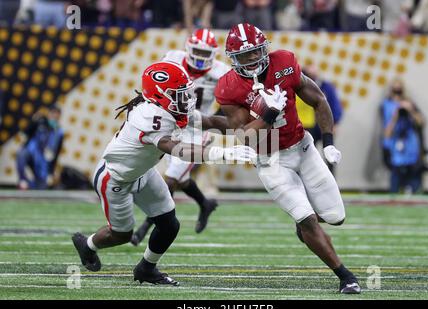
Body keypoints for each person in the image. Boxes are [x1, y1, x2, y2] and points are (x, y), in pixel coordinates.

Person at [72, 61, 255, 285]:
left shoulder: (168, 108)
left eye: (185, 93)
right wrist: (223, 153)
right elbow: (176, 149)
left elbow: (209, 121)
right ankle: (88, 244)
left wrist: (249, 124)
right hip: (114, 178)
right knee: (121, 235)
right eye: (178, 94)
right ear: (159, 95)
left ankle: (146, 269)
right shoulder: (149, 115)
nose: (186, 99)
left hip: (143, 172)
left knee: (169, 224)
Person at [215, 23, 361, 294]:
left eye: (255, 53)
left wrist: (328, 143)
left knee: (336, 217)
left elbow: (318, 99)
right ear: (232, 58)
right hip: (271, 159)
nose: (251, 60)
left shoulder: (285, 61)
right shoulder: (228, 87)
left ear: (265, 49)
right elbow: (245, 135)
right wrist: (267, 115)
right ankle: (344, 275)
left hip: (303, 148)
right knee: (306, 218)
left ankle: (305, 225)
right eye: (244, 56)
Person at [131, 29, 230, 246]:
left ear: (213, 54)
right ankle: (205, 203)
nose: (202, 58)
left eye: (206, 53)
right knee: (182, 179)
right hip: (173, 125)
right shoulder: (172, 59)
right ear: (188, 48)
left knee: (172, 179)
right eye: (198, 52)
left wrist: (215, 121)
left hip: (197, 130)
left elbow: (231, 100)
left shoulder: (221, 72)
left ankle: (147, 226)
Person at [303, 63, 343, 174]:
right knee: (310, 155)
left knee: (330, 154)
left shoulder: (327, 87)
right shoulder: (302, 86)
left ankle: (332, 180)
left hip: (325, 124)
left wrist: (335, 123)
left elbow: (335, 105)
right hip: (309, 125)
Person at [16, 107, 64, 190]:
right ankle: (23, 180)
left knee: (42, 187)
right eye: (53, 114)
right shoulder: (40, 123)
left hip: (43, 161)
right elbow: (25, 133)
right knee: (21, 154)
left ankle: (31, 186)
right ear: (49, 114)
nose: (54, 117)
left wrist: (50, 172)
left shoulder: (59, 132)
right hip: (31, 154)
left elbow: (56, 154)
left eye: (56, 115)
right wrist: (34, 121)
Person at [384, 98, 425, 193]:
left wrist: (410, 111)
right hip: (397, 160)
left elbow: (421, 123)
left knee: (415, 192)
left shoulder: (414, 117)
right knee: (394, 193)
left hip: (412, 160)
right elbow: (387, 134)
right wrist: (395, 116)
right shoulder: (395, 119)